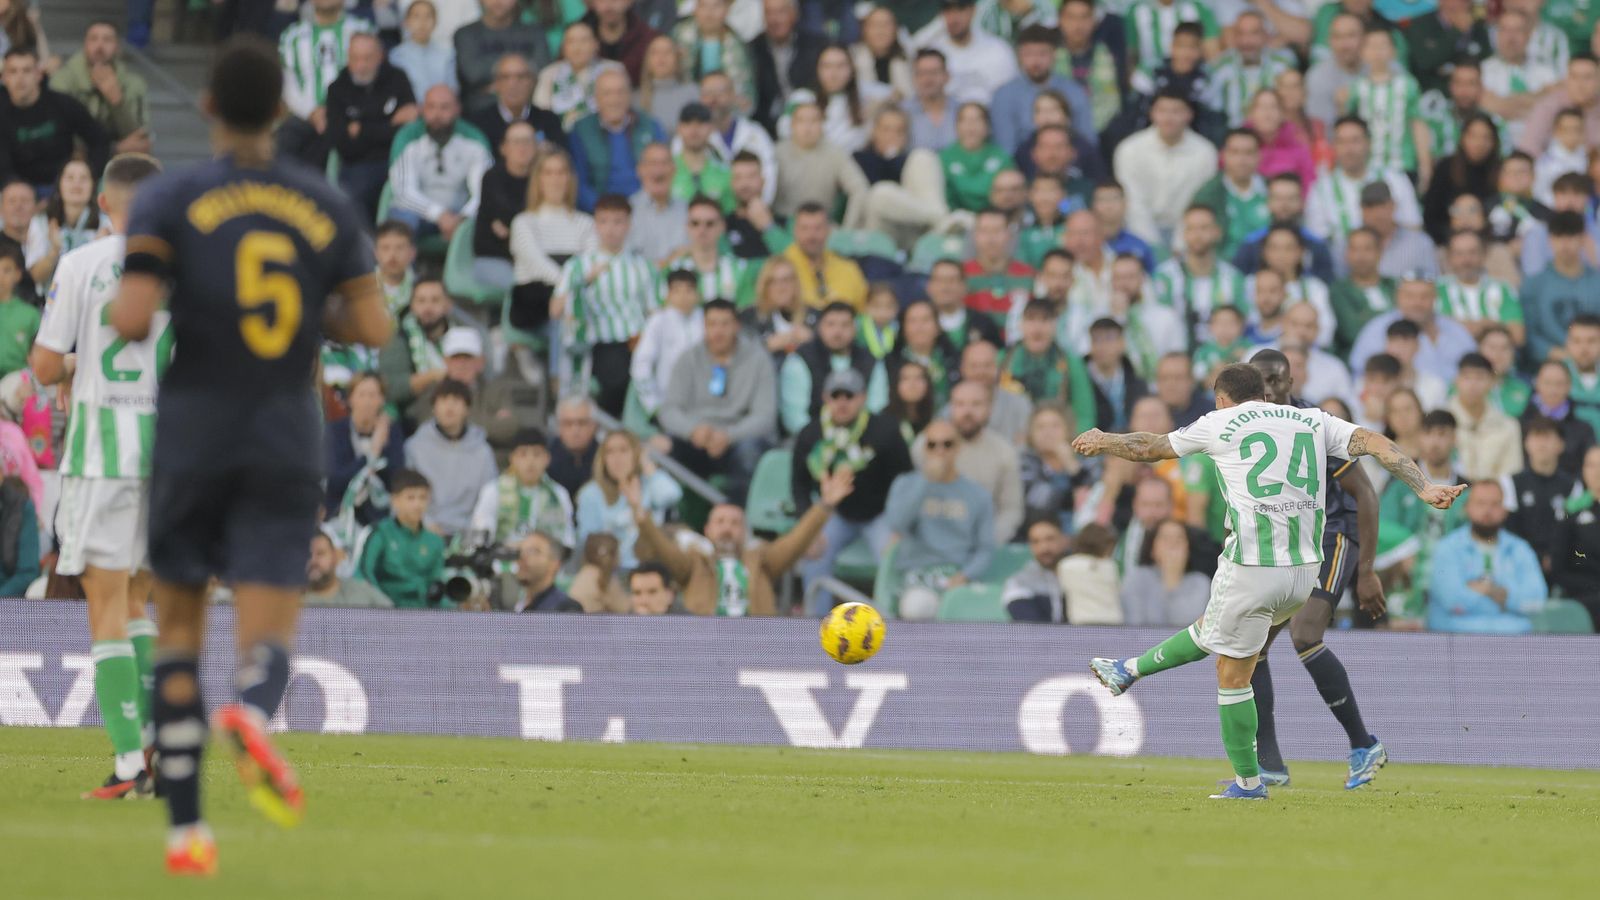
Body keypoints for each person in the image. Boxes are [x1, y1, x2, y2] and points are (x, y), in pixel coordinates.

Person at [107, 38, 392, 874]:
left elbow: (129, 318)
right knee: (267, 618)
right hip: (282, 429)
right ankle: (258, 708)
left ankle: (187, 830)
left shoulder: (169, 197)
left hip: (195, 427)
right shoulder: (323, 202)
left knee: (180, 628)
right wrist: (312, 315)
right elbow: (373, 328)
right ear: (280, 111)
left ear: (206, 109)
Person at [1078, 363, 1464, 799]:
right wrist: (1424, 485)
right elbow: (1376, 443)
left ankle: (1248, 782)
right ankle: (1127, 670)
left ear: (1223, 397)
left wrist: (1105, 439)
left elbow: (1150, 447)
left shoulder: (1219, 421)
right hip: (1302, 573)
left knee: (1231, 671)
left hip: (1253, 565)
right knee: (1217, 635)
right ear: (1263, 392)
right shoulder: (1311, 419)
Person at [26, 153, 160, 800]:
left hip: (101, 457)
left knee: (106, 607)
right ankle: (159, 750)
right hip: (166, 460)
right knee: (139, 603)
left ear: (105, 202)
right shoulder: (185, 273)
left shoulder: (81, 264)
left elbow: (45, 367)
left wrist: (77, 361)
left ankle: (132, 764)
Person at [1244, 349, 1387, 788]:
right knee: (1252, 645)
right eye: (1261, 381)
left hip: (1335, 535)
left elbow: (1364, 493)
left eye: (1277, 380)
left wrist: (1366, 570)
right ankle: (1269, 762)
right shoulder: (1246, 426)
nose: (1269, 390)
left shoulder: (1313, 425)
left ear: (1292, 381)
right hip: (1290, 542)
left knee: (1305, 633)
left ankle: (1364, 744)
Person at [793, 368, 913, 613]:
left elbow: (906, 481)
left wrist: (900, 527)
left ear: (863, 397)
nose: (842, 402)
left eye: (849, 395)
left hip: (881, 514)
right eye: (836, 395)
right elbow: (800, 484)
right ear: (826, 398)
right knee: (814, 553)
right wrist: (809, 527)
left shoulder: (885, 431)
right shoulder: (811, 434)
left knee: (894, 558)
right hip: (835, 513)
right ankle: (815, 626)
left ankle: (896, 623)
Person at [657, 300, 777, 504]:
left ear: (737, 326)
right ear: (704, 327)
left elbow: (765, 416)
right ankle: (677, 523)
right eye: (712, 324)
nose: (718, 331)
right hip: (696, 438)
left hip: (739, 438)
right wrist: (692, 430)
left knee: (749, 454)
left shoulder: (758, 359)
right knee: (662, 449)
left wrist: (729, 435)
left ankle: (736, 524)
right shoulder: (688, 359)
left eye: (725, 324)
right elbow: (669, 410)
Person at [886, 418, 996, 621]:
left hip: (958, 574)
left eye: (947, 444)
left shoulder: (978, 494)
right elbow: (897, 524)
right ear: (923, 449)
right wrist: (925, 481)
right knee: (916, 608)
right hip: (916, 575)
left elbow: (985, 548)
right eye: (932, 445)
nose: (940, 451)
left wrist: (965, 576)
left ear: (958, 448)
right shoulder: (905, 484)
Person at [1427, 480, 1547, 633]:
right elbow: (1452, 601)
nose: (1487, 510)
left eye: (1495, 504)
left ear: (1505, 510)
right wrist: (1504, 598)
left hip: (1513, 643)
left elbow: (1536, 602)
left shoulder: (1519, 549)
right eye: (1480, 503)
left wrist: (1487, 590)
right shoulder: (1448, 548)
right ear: (1467, 508)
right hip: (1458, 641)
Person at [915, 380, 1025, 541]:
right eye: (960, 404)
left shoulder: (1004, 452)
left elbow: (1011, 509)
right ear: (950, 408)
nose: (967, 411)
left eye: (976, 404)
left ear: (989, 409)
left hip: (983, 537)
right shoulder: (927, 444)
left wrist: (988, 540)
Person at [510, 146, 596, 346]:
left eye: (561, 172)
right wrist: (568, 288)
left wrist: (568, 290)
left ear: (570, 178)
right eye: (548, 173)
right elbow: (536, 264)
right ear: (538, 179)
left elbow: (591, 262)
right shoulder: (524, 222)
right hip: (535, 296)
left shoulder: (586, 223)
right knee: (562, 303)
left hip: (577, 293)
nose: (555, 179)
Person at [327, 33, 418, 221]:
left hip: (399, 160)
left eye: (367, 58)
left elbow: (408, 131)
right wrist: (390, 123)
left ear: (380, 57)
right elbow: (342, 144)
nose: (361, 65)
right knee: (352, 202)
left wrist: (362, 129)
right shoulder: (337, 89)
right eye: (355, 58)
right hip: (358, 164)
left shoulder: (397, 79)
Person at [274, 0, 375, 170]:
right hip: (305, 117)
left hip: (352, 115)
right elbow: (288, 85)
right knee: (277, 150)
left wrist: (337, 110)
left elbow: (372, 75)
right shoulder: (292, 36)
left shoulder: (363, 30)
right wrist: (312, 112)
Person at [388, 85, 493, 243]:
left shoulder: (473, 141)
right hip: (419, 214)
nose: (437, 114)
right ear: (423, 110)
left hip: (460, 213)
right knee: (402, 220)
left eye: (444, 107)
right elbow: (404, 192)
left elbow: (483, 191)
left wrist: (462, 218)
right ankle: (403, 268)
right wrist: (440, 215)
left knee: (486, 217)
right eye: (431, 107)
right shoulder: (409, 139)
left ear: (457, 109)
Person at [1112, 90, 1216, 247]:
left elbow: (1197, 201)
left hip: (1188, 234)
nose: (1169, 118)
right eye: (1162, 111)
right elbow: (1134, 202)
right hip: (1138, 231)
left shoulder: (1205, 153)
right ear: (1152, 113)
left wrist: (1180, 244)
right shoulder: (1130, 149)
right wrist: (1151, 245)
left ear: (1189, 114)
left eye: (1176, 111)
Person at [0, 47, 110, 190]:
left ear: (38, 74)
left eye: (27, 70)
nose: (20, 78)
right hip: (16, 190)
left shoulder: (63, 104)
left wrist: (88, 175)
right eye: (13, 71)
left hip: (63, 185)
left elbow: (99, 140)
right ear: (3, 78)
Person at [779, 301, 889, 434]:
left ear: (855, 328)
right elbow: (795, 417)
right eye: (830, 324)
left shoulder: (870, 360)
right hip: (811, 442)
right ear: (819, 327)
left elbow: (876, 409)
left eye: (845, 325)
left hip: (863, 440)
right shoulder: (799, 360)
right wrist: (826, 443)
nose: (837, 332)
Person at [1349, 273, 1476, 383]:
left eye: (1424, 296)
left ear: (1435, 298)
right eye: (1410, 296)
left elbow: (1473, 367)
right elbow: (1360, 375)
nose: (1417, 303)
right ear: (1398, 297)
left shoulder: (1454, 329)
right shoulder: (1377, 330)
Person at [569, 69, 665, 212]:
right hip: (600, 212)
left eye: (621, 92)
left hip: (644, 210)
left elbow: (663, 171)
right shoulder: (581, 130)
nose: (615, 100)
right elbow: (578, 181)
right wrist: (603, 209)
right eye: (607, 93)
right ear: (596, 98)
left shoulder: (650, 126)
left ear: (630, 95)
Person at [49, 21, 150, 155]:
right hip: (72, 164)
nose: (99, 46)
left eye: (107, 40)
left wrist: (117, 102)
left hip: (119, 165)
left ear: (117, 47)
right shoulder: (63, 80)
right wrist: (114, 149)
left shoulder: (134, 83)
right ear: (85, 45)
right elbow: (57, 138)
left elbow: (139, 140)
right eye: (93, 39)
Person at [357, 469, 446, 610]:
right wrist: (382, 608)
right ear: (394, 501)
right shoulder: (380, 534)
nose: (417, 504)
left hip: (423, 614)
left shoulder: (435, 541)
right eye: (410, 498)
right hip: (383, 612)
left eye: (423, 497)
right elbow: (365, 575)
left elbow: (436, 584)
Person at [1503, 416, 1582, 571]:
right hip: (1519, 562)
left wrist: (1553, 557)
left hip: (1559, 563)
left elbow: (1569, 531)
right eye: (1536, 437)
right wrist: (1533, 558)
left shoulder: (1573, 486)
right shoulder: (1510, 482)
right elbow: (1510, 528)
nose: (1541, 443)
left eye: (1547, 437)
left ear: (1561, 445)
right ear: (1526, 444)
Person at [1523, 212, 1600, 364]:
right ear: (1550, 240)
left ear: (1583, 239)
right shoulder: (1534, 284)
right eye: (1559, 237)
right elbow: (1529, 334)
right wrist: (1556, 354)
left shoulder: (1597, 281)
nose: (1565, 244)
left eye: (1571, 236)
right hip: (1550, 365)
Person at [772, 101, 870, 220]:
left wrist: (848, 228)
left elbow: (860, 188)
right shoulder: (776, 153)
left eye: (814, 121)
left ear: (823, 125)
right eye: (801, 121)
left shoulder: (835, 153)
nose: (807, 127)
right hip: (783, 222)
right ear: (792, 125)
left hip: (821, 226)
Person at [452, 0, 551, 114]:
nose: (498, 2)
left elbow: (543, 69)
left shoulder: (534, 32)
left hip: (528, 109)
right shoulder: (465, 34)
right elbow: (473, 74)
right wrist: (521, 73)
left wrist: (499, 84)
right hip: (479, 110)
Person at [466, 54, 568, 158]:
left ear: (533, 82)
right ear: (496, 84)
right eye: (505, 77)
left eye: (521, 77)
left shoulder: (549, 121)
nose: (513, 84)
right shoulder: (479, 124)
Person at [1437, 229, 1523, 346]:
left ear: (1484, 255)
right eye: (1459, 254)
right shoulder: (1435, 289)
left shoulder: (1502, 288)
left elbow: (1518, 337)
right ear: (1449, 257)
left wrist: (1460, 325)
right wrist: (1488, 325)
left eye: (1472, 252)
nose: (1466, 260)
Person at [750, 0, 826, 132]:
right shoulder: (753, 49)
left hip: (810, 122)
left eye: (781, 12)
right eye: (769, 13)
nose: (775, 19)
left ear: (794, 14)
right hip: (766, 126)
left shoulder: (815, 46)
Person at [1120, 518, 1211, 627]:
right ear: (1152, 550)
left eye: (1179, 539)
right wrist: (1167, 577)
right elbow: (1136, 627)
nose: (1172, 544)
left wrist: (1172, 577)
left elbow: (1191, 628)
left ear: (1188, 549)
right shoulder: (1137, 578)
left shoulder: (1201, 583)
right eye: (1165, 538)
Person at [1525, 360, 1597, 474]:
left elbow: (1589, 469)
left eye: (1559, 384)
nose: (1553, 390)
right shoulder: (1522, 424)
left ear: (1569, 386)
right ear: (1537, 383)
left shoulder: (1584, 429)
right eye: (1547, 383)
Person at [626, 143, 690, 264]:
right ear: (640, 170)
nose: (659, 170)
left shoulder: (688, 210)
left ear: (674, 169)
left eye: (664, 163)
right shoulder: (627, 211)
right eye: (652, 163)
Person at [1002, 516, 1069, 622]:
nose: (1044, 548)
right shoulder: (1019, 582)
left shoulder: (1079, 576)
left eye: (1050, 539)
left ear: (1064, 540)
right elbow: (1033, 629)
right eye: (1036, 542)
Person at [390, 1, 459, 100]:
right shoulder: (396, 56)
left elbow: (453, 89)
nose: (422, 22)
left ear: (435, 21)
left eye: (428, 16)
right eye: (416, 16)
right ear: (406, 22)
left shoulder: (447, 54)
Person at [305, 533, 393, 608]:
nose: (313, 561)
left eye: (320, 553)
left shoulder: (361, 591)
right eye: (307, 554)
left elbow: (392, 617)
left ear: (335, 557)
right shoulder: (293, 599)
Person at [586, 0, 662, 86]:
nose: (608, 6)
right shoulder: (575, 37)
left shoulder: (649, 40)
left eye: (615, 1)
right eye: (602, 1)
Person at [549, 395, 599, 499]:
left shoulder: (606, 457)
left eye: (582, 423)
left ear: (594, 425)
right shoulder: (546, 458)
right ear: (559, 426)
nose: (575, 430)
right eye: (568, 423)